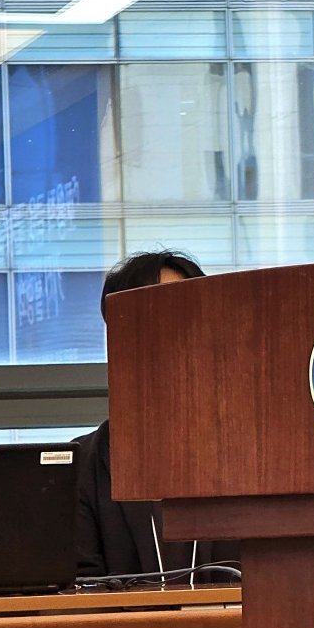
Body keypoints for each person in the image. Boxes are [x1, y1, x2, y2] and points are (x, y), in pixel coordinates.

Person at [74, 249, 238, 581]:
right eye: (153, 317)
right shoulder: (83, 465)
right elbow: (77, 588)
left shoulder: (252, 455)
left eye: (185, 315)